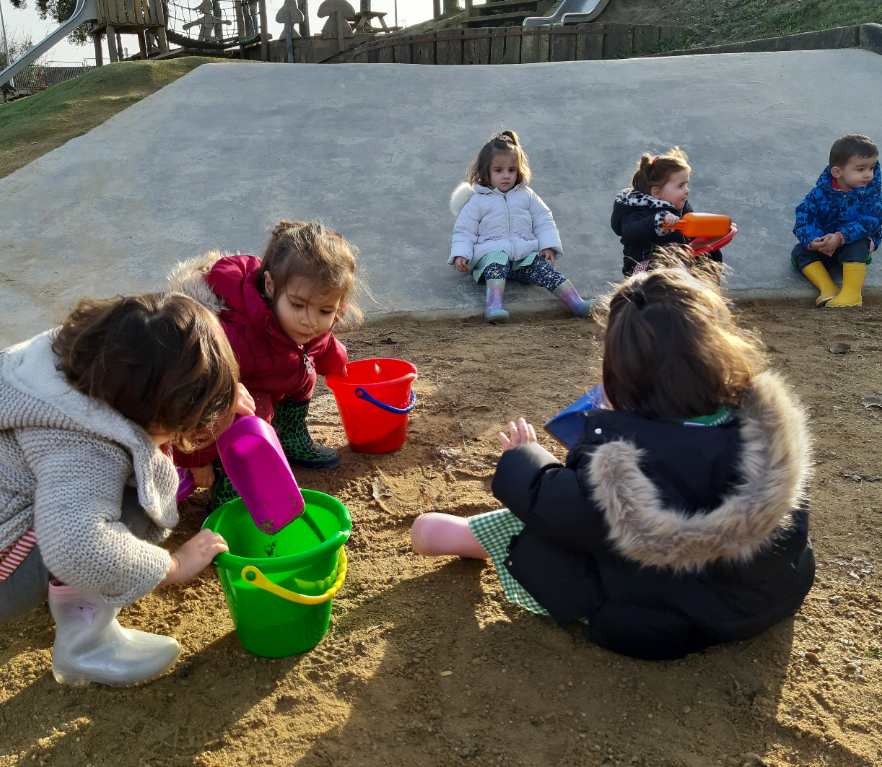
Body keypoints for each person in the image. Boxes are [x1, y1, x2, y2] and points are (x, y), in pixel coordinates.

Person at [410, 266, 815, 660]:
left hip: (664, 622)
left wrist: (525, 459)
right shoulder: (764, 425)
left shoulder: (626, 454)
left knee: (532, 530)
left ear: (623, 377)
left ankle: (460, 535)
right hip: (773, 595)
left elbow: (566, 510)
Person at [0, 293, 243, 686]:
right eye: (180, 424)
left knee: (102, 492)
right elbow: (77, 544)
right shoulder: (84, 448)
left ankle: (66, 600)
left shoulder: (70, 357)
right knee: (136, 501)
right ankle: (85, 645)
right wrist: (172, 566)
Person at [168, 220, 361, 511]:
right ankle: (229, 480)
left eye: (325, 311)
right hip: (229, 406)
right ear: (270, 286)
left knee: (303, 373)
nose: (309, 321)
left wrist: (337, 361)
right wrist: (197, 461)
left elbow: (321, 345)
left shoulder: (305, 323)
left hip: (280, 381)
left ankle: (291, 436)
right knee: (253, 409)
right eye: (297, 305)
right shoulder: (234, 335)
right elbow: (194, 394)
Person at [449, 130, 594, 323]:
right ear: (486, 171)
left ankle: (577, 303)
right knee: (497, 261)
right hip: (491, 255)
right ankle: (494, 307)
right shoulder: (478, 201)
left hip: (523, 256)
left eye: (512, 170)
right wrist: (461, 254)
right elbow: (465, 231)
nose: (506, 176)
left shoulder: (527, 195)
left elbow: (544, 220)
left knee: (545, 270)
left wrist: (547, 246)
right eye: (498, 170)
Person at [792, 134, 881, 307]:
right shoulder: (819, 194)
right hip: (825, 247)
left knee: (859, 244)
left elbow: (872, 221)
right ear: (837, 172)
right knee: (799, 250)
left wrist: (841, 237)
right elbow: (804, 219)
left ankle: (852, 294)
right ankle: (828, 289)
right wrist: (815, 240)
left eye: (872, 168)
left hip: (851, 244)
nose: (868, 175)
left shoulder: (871, 194)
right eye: (860, 169)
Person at [612, 147, 723, 278]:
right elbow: (630, 231)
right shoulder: (639, 208)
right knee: (667, 263)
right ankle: (671, 294)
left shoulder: (681, 208)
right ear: (657, 193)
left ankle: (706, 294)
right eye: (680, 186)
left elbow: (690, 234)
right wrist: (657, 222)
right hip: (643, 269)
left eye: (686, 184)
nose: (686, 190)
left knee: (711, 253)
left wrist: (711, 233)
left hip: (677, 261)